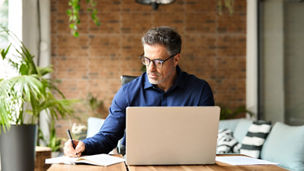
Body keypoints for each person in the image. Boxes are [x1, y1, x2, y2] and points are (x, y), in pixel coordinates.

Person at [64, 26, 215, 157]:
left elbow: (204, 141)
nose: (151, 68)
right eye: (146, 60)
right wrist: (84, 145)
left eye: (158, 62)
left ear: (176, 59)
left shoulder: (200, 91)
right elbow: (107, 136)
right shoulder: (128, 92)